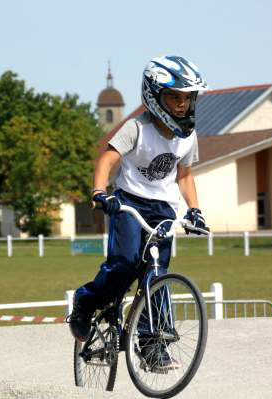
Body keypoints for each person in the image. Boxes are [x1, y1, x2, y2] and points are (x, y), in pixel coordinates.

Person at [68, 55, 209, 370]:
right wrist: (99, 192)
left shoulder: (188, 137)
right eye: (174, 97)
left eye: (187, 98)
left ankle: (151, 345)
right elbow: (107, 159)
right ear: (155, 95)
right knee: (125, 263)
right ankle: (85, 302)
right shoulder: (137, 128)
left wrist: (195, 210)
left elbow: (185, 176)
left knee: (155, 275)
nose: (182, 104)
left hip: (163, 209)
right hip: (128, 202)